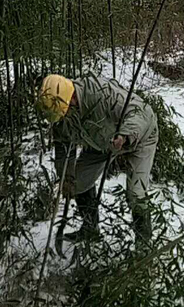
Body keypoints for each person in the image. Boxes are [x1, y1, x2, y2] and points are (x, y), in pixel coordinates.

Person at [38, 74, 158, 244]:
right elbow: (64, 147)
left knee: (136, 194)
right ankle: (90, 229)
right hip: (100, 143)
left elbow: (139, 112)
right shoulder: (63, 113)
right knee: (78, 182)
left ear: (71, 98)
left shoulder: (102, 93)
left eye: (64, 114)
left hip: (140, 136)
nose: (63, 119)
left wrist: (125, 135)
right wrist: (67, 177)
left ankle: (143, 245)